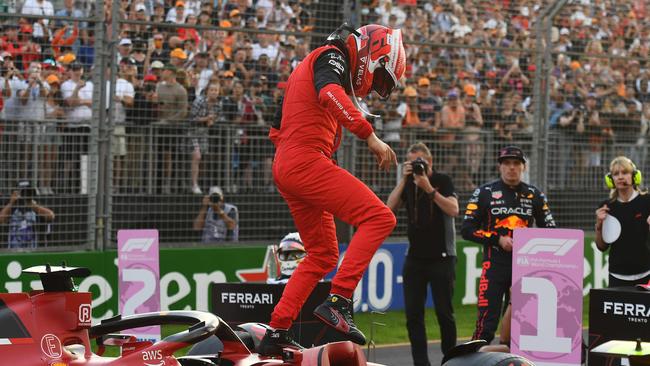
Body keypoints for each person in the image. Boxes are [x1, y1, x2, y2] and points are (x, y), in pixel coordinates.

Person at [259, 23, 405, 355]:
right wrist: (369, 135)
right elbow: (329, 94)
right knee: (380, 218)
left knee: (323, 253)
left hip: (290, 164)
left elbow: (281, 121)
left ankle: (277, 329)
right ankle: (339, 301)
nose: (375, 88)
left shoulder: (320, 60)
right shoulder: (331, 56)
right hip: (304, 162)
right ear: (373, 53)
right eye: (381, 78)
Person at [461, 146, 556, 344]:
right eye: (507, 164)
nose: (511, 168)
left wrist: (532, 242)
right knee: (486, 326)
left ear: (523, 167)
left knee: (518, 326)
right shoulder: (484, 193)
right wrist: (497, 239)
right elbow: (467, 229)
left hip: (524, 268)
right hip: (494, 265)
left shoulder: (535, 195)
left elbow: (551, 231)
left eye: (516, 164)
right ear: (500, 167)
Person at [386, 142, 459, 363]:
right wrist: (404, 180)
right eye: (412, 162)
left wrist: (428, 188)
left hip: (442, 257)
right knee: (413, 315)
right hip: (415, 258)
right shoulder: (408, 183)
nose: (418, 167)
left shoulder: (442, 181)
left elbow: (453, 209)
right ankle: (421, 362)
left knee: (444, 313)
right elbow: (389, 208)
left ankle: (450, 359)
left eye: (421, 162)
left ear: (430, 162)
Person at [595, 156, 650, 287]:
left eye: (624, 173)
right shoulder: (606, 206)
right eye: (615, 174)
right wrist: (599, 225)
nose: (620, 177)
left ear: (635, 176)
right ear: (610, 179)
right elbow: (602, 247)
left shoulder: (647, 201)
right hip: (617, 276)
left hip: (646, 274)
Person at [0, 181, 55, 249]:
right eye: (23, 192)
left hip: (32, 250)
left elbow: (51, 216)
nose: (25, 195)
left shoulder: (35, 205)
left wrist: (32, 205)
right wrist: (11, 203)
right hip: (13, 250)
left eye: (28, 193)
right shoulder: (11, 205)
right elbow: (1, 219)